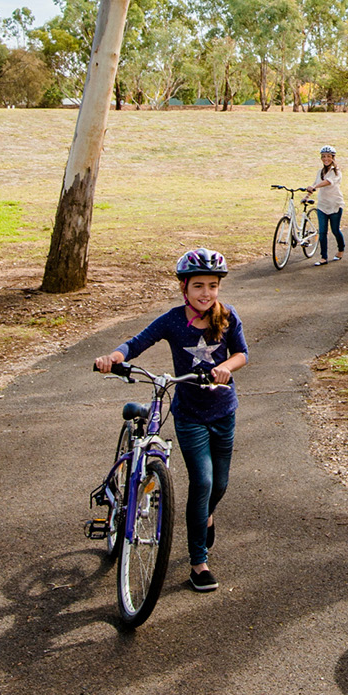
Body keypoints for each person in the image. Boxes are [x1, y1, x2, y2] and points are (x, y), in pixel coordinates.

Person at [93, 248, 249, 593]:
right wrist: (114, 357)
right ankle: (199, 563)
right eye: (198, 286)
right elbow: (137, 342)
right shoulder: (174, 320)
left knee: (219, 485)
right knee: (203, 482)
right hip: (190, 415)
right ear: (184, 287)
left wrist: (226, 367)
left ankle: (204, 517)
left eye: (212, 285)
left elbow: (242, 353)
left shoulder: (227, 316)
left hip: (224, 411)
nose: (206, 293)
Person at [308, 145, 345, 266]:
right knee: (322, 231)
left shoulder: (336, 172)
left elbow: (328, 182)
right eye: (323, 156)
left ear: (333, 158)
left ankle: (341, 249)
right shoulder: (320, 172)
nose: (326, 159)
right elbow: (315, 184)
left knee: (335, 230)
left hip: (335, 204)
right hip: (322, 205)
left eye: (328, 156)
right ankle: (323, 257)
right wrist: (307, 196)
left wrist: (315, 187)